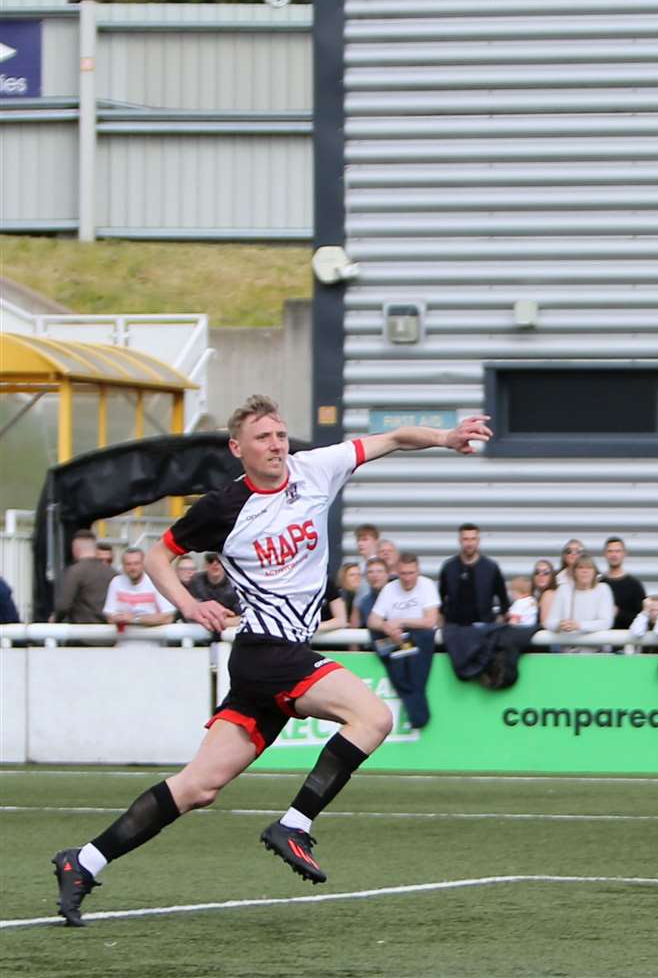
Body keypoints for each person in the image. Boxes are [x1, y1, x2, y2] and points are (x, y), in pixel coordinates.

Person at [48, 394, 491, 927]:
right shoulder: (222, 508)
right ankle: (294, 825)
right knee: (374, 717)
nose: (277, 445)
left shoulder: (316, 469)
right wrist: (189, 603)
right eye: (264, 437)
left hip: (277, 657)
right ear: (238, 449)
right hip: (267, 653)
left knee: (197, 787)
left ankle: (83, 861)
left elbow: (393, 438)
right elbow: (163, 554)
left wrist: (446, 438)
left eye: (280, 435)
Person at [367, 553, 441, 729]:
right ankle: (418, 714)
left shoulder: (427, 585)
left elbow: (430, 620)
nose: (407, 578)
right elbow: (373, 620)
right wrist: (387, 627)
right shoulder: (389, 589)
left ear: (418, 571)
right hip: (394, 640)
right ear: (397, 572)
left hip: (418, 639)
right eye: (403, 574)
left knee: (415, 679)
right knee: (400, 677)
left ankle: (418, 715)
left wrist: (400, 622)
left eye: (411, 573)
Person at [437, 523, 509, 627]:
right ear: (460, 541)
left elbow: (504, 600)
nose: (469, 543)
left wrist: (497, 623)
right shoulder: (449, 567)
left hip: (484, 628)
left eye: (473, 539)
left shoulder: (491, 568)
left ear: (478, 541)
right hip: (454, 628)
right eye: (466, 539)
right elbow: (440, 599)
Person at [103, 546, 177, 641]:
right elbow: (110, 617)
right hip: (124, 644)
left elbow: (168, 617)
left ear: (143, 564)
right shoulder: (116, 582)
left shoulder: (155, 582)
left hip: (152, 645)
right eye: (128, 564)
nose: (132, 568)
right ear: (123, 566)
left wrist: (134, 619)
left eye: (136, 563)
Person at [544, 555, 616, 645]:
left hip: (597, 651)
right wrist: (560, 624)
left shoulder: (603, 589)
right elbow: (549, 623)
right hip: (568, 650)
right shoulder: (563, 589)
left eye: (589, 568)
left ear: (594, 572)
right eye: (580, 568)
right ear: (574, 572)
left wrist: (579, 625)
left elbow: (606, 622)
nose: (584, 571)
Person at [54, 529, 118, 624]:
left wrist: (55, 619)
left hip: (82, 633)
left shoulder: (75, 572)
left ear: (75, 549)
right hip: (110, 632)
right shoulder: (113, 573)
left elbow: (64, 606)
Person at [601, 537, 647, 632]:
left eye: (618, 551)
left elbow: (643, 617)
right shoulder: (599, 583)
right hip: (600, 641)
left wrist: (618, 613)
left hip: (627, 641)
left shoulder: (634, 585)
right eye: (610, 551)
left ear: (624, 554)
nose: (614, 555)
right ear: (605, 554)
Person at [316, 562, 361, 633]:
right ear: (343, 577)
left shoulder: (362, 596)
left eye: (359, 575)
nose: (357, 578)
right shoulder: (338, 596)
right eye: (352, 575)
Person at [351, 557, 390, 628]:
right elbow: (354, 627)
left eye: (379, 571)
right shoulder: (364, 602)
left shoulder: (398, 595)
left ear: (387, 575)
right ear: (366, 577)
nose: (375, 575)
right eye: (370, 572)